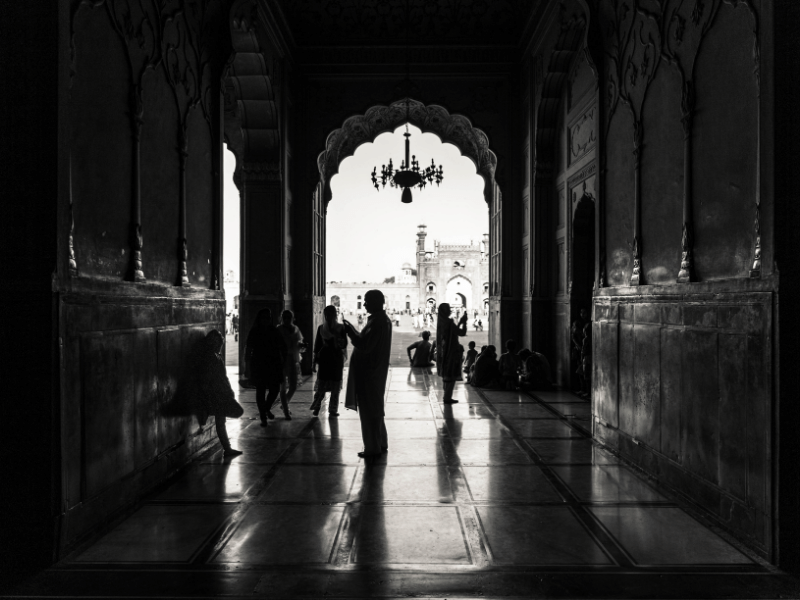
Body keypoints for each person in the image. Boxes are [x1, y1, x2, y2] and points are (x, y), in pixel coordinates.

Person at [343, 289, 392, 458]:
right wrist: (352, 330)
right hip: (373, 372)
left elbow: (365, 346)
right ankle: (381, 442)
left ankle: (372, 448)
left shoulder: (378, 322)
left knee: (369, 411)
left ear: (377, 302)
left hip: (370, 374)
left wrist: (350, 332)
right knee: (375, 409)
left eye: (367, 301)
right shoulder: (380, 320)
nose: (364, 304)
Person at [196, 330, 243, 456]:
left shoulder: (211, 357)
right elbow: (216, 378)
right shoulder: (213, 358)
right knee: (221, 422)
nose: (220, 346)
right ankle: (227, 448)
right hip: (217, 393)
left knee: (221, 421)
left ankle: (227, 448)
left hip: (217, 393)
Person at [244, 308, 287, 426]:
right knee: (261, 390)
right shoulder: (255, 331)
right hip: (259, 364)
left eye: (268, 318)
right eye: (264, 318)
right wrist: (247, 366)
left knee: (275, 389)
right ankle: (263, 416)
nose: (266, 320)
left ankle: (266, 408)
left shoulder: (274, 331)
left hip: (273, 363)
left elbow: (282, 346)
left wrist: (284, 361)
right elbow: (248, 349)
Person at [311, 305, 348, 417]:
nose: (328, 317)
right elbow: (317, 346)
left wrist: (336, 339)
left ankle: (332, 409)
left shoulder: (340, 328)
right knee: (322, 384)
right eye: (326, 315)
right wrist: (314, 362)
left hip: (335, 359)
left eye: (330, 314)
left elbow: (344, 344)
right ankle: (317, 406)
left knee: (335, 385)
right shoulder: (322, 328)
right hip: (326, 359)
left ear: (334, 315)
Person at [435, 302, 468, 403]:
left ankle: (446, 396)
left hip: (443, 353)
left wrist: (459, 323)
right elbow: (461, 332)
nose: (450, 310)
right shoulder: (449, 322)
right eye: (448, 309)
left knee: (446, 375)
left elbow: (452, 332)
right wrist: (464, 322)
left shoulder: (441, 322)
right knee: (451, 375)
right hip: (451, 352)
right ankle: (447, 397)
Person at [277, 310, 304, 419]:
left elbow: (299, 342)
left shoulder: (295, 329)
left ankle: (285, 403)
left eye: (289, 317)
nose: (287, 320)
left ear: (292, 318)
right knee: (282, 386)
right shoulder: (279, 329)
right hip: (281, 359)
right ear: (282, 318)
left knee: (293, 385)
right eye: (285, 317)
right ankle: (286, 410)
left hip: (293, 359)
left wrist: (301, 345)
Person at [571, 308, 589, 392]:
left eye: (584, 312)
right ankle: (583, 389)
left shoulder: (587, 324)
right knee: (581, 371)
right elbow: (574, 337)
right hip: (580, 351)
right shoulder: (578, 323)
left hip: (585, 352)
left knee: (584, 372)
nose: (583, 315)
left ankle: (585, 389)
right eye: (581, 312)